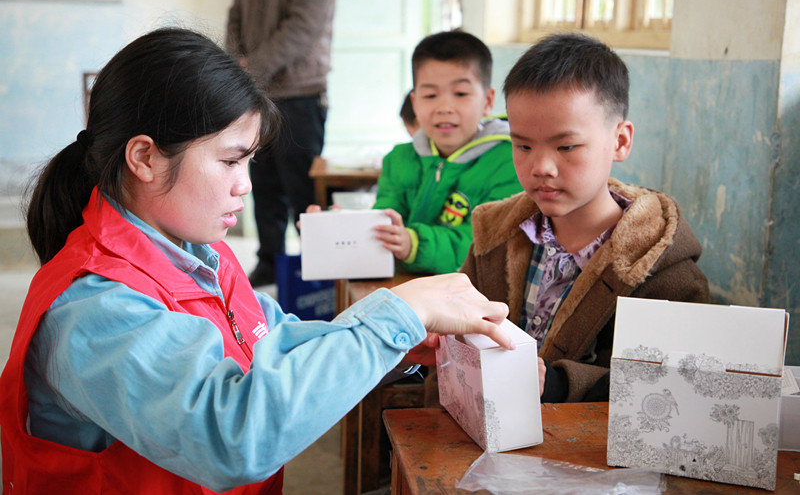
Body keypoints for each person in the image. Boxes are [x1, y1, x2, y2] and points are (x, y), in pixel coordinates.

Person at [0, 28, 515, 495]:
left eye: (248, 161)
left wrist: (391, 345)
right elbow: (232, 436)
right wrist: (394, 318)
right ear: (145, 158)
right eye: (229, 160)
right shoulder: (95, 308)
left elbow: (272, 342)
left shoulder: (200, 253)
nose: (244, 184)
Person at [461, 33, 710, 403]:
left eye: (566, 147)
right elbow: (458, 349)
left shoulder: (666, 275)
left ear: (620, 142)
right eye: (523, 145)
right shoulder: (494, 239)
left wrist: (558, 385)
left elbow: (671, 393)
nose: (541, 167)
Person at [373, 31, 522, 275]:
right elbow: (385, 218)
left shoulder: (510, 161)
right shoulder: (399, 159)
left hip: (475, 298)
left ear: (487, 101)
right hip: (406, 290)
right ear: (415, 102)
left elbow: (483, 245)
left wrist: (414, 244)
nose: (444, 108)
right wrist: (350, 228)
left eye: (461, 94)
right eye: (430, 95)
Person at [225, 0, 338, 287]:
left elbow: (302, 27)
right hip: (257, 90)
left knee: (304, 189)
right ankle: (270, 263)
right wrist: (236, 62)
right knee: (263, 183)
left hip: (301, 93)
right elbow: (237, 14)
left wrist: (253, 66)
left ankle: (316, 273)